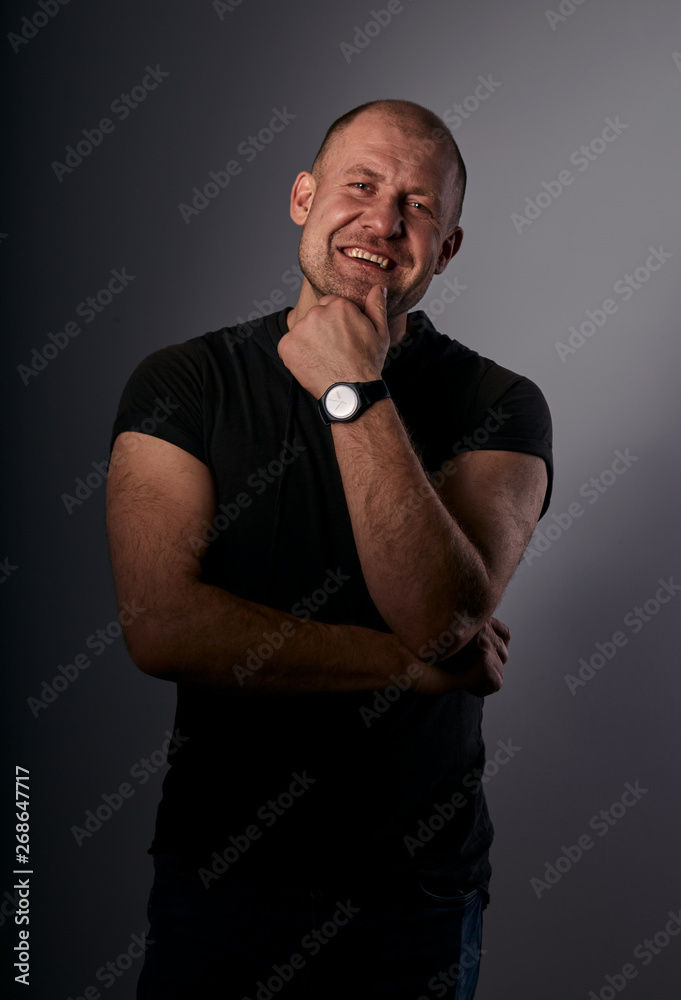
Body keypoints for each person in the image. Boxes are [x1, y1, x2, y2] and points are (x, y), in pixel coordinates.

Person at [106, 99, 553, 999]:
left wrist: (352, 386)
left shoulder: (502, 404)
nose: (384, 221)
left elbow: (443, 616)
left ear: (449, 247)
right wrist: (411, 666)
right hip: (221, 884)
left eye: (420, 206)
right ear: (304, 197)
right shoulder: (184, 382)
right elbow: (161, 625)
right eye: (361, 185)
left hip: (414, 901)